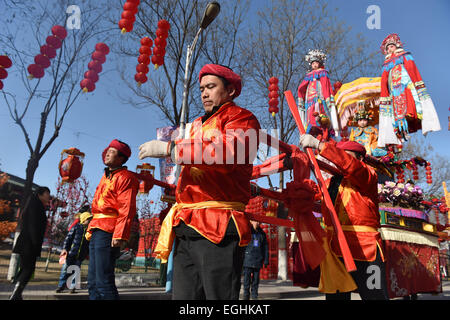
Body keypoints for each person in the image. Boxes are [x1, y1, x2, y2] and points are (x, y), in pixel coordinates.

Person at [139, 64, 261, 300]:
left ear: (231, 91)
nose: (204, 93)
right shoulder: (196, 125)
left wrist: (171, 148)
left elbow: (229, 153)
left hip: (218, 226)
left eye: (211, 87)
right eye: (202, 88)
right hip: (186, 224)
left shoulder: (243, 118)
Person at [299, 134, 389, 300]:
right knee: (336, 298)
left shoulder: (367, 175)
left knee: (374, 295)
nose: (339, 160)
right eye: (338, 155)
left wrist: (320, 145)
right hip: (335, 250)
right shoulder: (328, 183)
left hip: (365, 248)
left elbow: (351, 166)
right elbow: (305, 198)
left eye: (345, 155)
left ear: (360, 158)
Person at [86, 139, 139, 300]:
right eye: (107, 150)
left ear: (121, 158)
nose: (107, 153)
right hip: (96, 228)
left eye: (112, 151)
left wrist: (120, 235)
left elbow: (127, 207)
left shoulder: (126, 177)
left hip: (109, 230)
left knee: (103, 280)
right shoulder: (106, 176)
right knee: (92, 281)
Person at [378, 33, 440, 147]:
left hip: (405, 84)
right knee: (396, 111)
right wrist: (385, 93)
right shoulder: (386, 64)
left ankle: (411, 120)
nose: (390, 49)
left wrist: (414, 83)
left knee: (409, 105)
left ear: (396, 46)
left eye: (391, 46)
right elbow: (384, 80)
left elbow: (411, 67)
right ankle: (400, 132)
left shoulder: (404, 55)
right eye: (387, 48)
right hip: (394, 91)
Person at [10, 186, 51, 300]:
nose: (49, 196)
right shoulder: (35, 204)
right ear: (40, 194)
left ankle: (17, 294)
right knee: (28, 269)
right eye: (47, 193)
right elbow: (33, 225)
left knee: (25, 268)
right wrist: (34, 243)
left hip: (27, 242)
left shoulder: (35, 203)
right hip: (29, 243)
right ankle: (16, 294)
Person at [297, 49, 339, 135]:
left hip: (319, 95)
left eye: (316, 63)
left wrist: (328, 97)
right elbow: (302, 86)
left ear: (319, 63)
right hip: (310, 97)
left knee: (319, 108)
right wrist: (301, 96)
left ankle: (320, 124)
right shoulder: (308, 75)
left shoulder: (322, 72)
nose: (314, 65)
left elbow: (325, 84)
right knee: (310, 110)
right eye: (312, 63)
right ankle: (310, 124)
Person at [56, 207, 92, 293]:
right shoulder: (76, 227)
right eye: (88, 219)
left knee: (76, 271)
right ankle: (61, 285)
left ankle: (73, 287)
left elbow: (88, 244)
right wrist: (65, 249)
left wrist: (87, 253)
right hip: (71, 253)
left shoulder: (89, 231)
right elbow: (68, 238)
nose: (90, 221)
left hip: (80, 255)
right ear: (83, 220)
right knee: (65, 270)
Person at [242, 220, 268, 300]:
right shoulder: (247, 231)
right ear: (251, 222)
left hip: (258, 259)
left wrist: (266, 260)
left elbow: (265, 248)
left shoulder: (262, 234)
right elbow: (242, 246)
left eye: (259, 222)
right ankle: (246, 295)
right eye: (256, 221)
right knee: (246, 280)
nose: (258, 223)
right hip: (248, 259)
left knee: (256, 280)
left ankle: (254, 296)